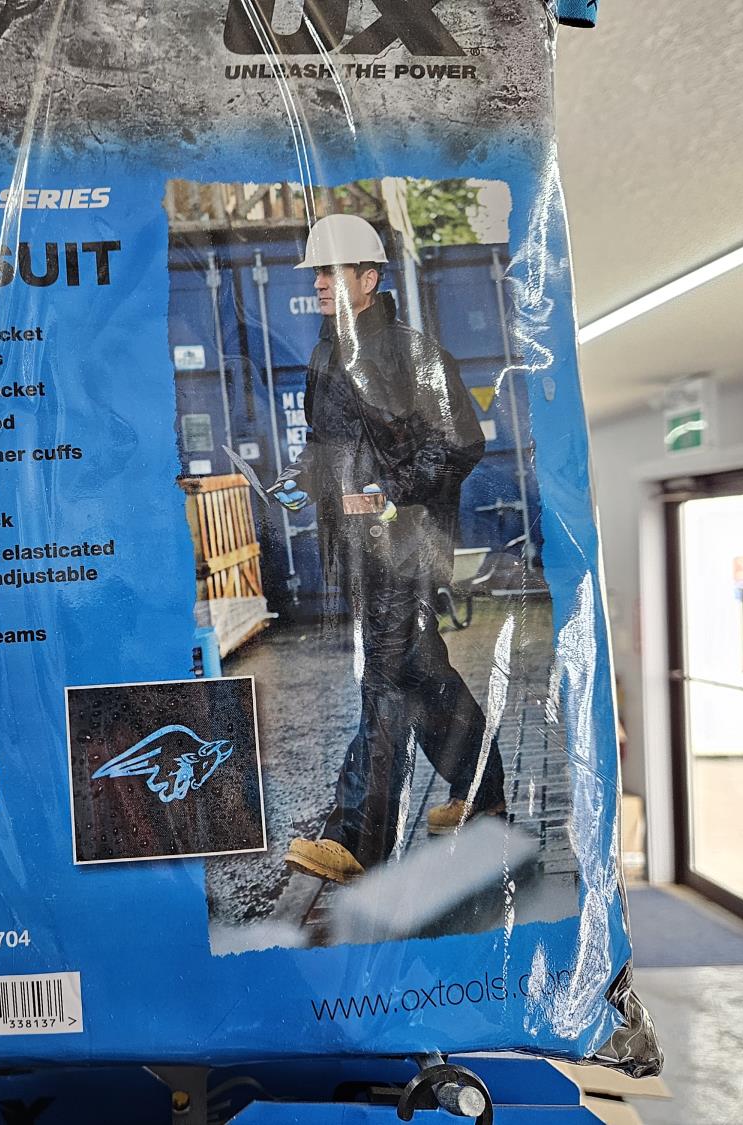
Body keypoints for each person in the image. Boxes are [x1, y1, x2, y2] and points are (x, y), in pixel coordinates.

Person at [269, 213, 507, 885]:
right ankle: (483, 792)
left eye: (331, 271)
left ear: (369, 278)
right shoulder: (327, 356)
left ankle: (355, 841)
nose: (318, 282)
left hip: (404, 546)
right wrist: (300, 478)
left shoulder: (411, 354)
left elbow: (459, 442)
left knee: (382, 680)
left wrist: (389, 492)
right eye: (316, 272)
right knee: (419, 670)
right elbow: (328, 447)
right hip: (356, 549)